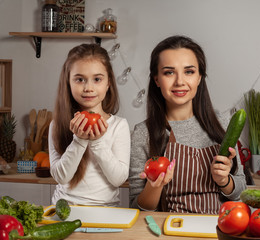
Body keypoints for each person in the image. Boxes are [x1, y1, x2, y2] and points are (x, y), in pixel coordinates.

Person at [129, 35, 247, 214]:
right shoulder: (143, 133)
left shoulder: (222, 124)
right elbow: (136, 206)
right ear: (156, 79)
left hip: (219, 226)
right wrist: (154, 187)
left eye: (189, 72)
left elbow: (241, 190)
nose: (180, 82)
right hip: (171, 228)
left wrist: (225, 181)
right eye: (169, 72)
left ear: (199, 77)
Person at [49, 43, 130, 206]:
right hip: (65, 209)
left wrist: (97, 142)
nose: (88, 88)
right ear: (68, 82)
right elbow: (61, 177)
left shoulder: (118, 126)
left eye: (97, 79)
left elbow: (119, 179)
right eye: (79, 79)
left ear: (108, 83)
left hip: (106, 213)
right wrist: (79, 140)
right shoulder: (57, 124)